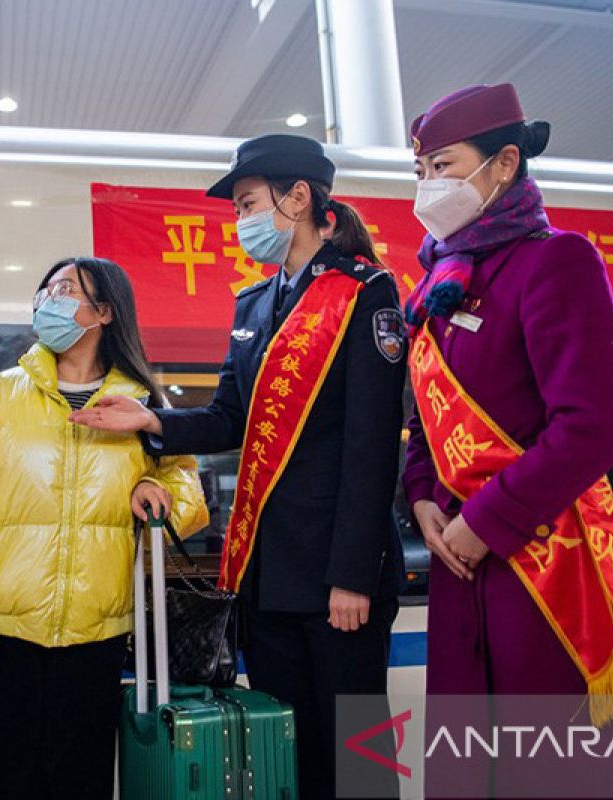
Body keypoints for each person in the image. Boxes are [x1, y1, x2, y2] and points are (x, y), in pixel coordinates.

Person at [70, 135, 406, 800]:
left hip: (341, 582)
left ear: (298, 197)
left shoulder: (366, 293)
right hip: (268, 579)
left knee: (359, 764)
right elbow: (230, 417)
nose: (241, 221)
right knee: (286, 754)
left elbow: (372, 447)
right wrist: (152, 420)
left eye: (249, 203)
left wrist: (350, 576)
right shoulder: (254, 303)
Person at [403, 83, 613, 797]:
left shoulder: (555, 261)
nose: (428, 185)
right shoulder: (442, 281)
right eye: (421, 171)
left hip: (546, 559)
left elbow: (596, 424)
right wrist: (421, 500)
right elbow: (424, 421)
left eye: (443, 165)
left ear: (503, 163)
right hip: (459, 561)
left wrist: (485, 522)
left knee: (560, 769)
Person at [0, 256, 208, 800]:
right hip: (0, 634)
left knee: (79, 786)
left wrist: (155, 493)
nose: (49, 300)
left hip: (98, 640)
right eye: (45, 290)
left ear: (105, 312)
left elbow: (185, 488)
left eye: (65, 289)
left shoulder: (137, 406)